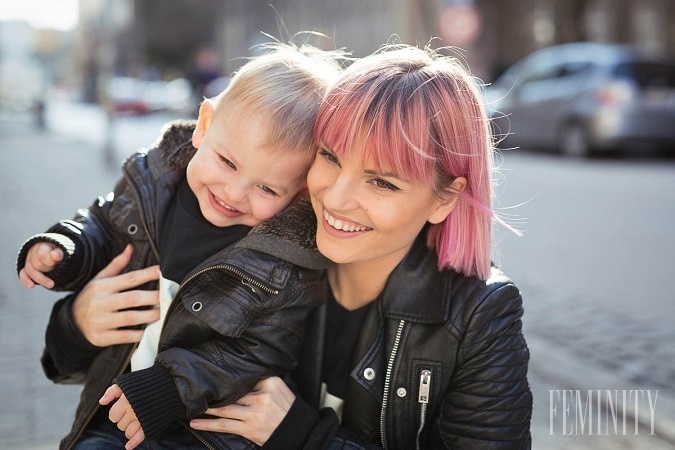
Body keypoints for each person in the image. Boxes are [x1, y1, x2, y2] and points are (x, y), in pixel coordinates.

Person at [189, 43, 533, 448]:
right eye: (330, 157)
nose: (335, 199)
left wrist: (305, 438)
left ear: (445, 198)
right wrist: (90, 327)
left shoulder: (479, 319)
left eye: (382, 182)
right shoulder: (256, 245)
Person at [16, 42, 343, 450]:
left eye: (266, 188)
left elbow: (262, 351)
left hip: (201, 434)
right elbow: (102, 223)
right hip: (110, 417)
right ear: (204, 126)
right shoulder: (152, 186)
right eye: (227, 162)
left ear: (298, 194)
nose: (235, 193)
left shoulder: (285, 263)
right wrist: (67, 248)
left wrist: (172, 385)